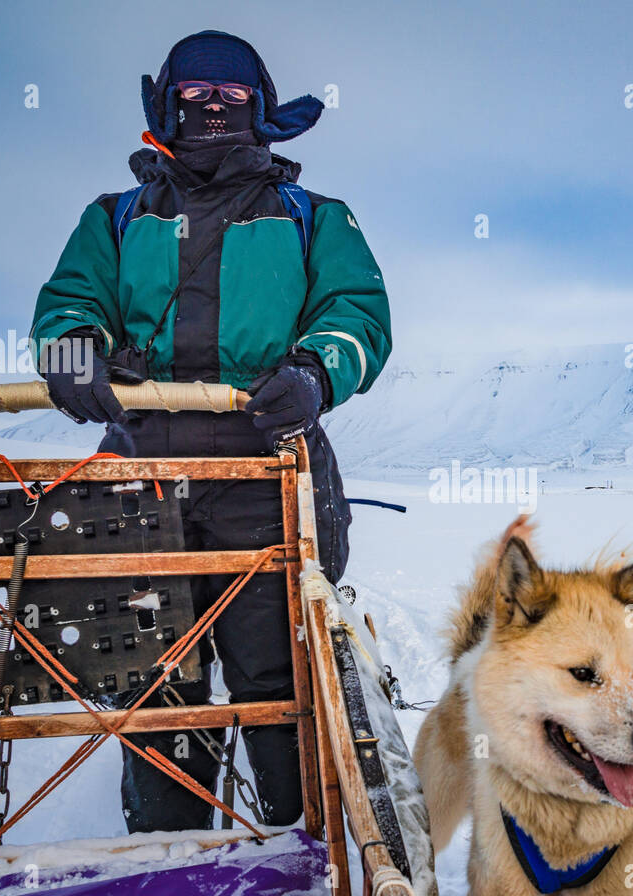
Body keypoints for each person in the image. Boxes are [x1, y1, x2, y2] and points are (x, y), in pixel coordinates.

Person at [29, 29, 391, 832]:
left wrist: (316, 371)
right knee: (156, 680)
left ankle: (302, 852)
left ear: (261, 109)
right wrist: (71, 351)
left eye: (233, 97)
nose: (214, 109)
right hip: (138, 488)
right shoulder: (113, 218)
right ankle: (172, 861)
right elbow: (67, 305)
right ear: (166, 105)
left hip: (268, 479)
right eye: (196, 95)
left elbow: (358, 313)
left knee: (278, 677)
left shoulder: (314, 218)